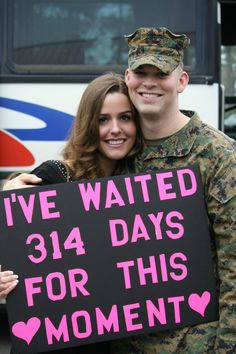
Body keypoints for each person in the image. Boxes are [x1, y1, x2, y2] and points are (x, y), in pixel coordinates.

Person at [3, 26, 236, 353]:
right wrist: (12, 191)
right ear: (129, 77)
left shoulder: (219, 156)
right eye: (142, 71)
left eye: (162, 72)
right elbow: (57, 212)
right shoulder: (121, 150)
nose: (150, 81)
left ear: (181, 81)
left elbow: (233, 274)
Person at [0, 72, 143, 354]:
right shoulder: (53, 177)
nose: (115, 129)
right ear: (89, 125)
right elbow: (12, 248)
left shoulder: (139, 185)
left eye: (125, 117)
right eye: (103, 119)